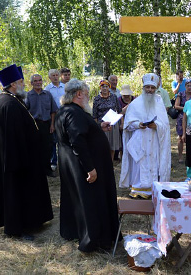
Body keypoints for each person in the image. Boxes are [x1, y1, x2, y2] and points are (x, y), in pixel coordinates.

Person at [55, 79, 120, 252]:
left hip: (72, 165)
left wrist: (99, 127)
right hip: (83, 167)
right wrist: (90, 168)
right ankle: (93, 238)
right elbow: (77, 141)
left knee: (76, 199)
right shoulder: (74, 113)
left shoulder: (66, 110)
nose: (88, 97)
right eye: (86, 93)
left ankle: (74, 231)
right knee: (90, 201)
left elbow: (82, 131)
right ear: (78, 94)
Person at [0, 64, 53, 240]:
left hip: (23, 156)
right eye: (21, 81)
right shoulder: (9, 104)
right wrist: (23, 160)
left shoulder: (12, 99)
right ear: (13, 84)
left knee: (26, 192)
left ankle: (31, 221)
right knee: (17, 193)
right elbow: (15, 137)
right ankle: (17, 228)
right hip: (18, 159)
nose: (23, 84)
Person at [120, 73, 171, 199]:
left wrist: (157, 126)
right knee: (139, 163)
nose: (150, 90)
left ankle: (152, 187)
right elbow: (127, 126)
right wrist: (138, 124)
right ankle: (138, 187)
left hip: (154, 141)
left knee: (153, 162)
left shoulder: (159, 103)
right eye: (147, 87)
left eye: (152, 88)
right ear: (143, 87)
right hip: (140, 141)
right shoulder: (135, 104)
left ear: (156, 88)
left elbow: (165, 125)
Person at [25, 74, 59, 177]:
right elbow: (25, 112)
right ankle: (35, 170)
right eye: (35, 81)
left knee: (47, 148)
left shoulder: (47, 94)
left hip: (46, 124)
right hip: (33, 125)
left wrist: (52, 124)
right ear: (31, 83)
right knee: (34, 148)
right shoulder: (27, 96)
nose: (38, 82)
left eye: (40, 80)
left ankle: (47, 170)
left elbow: (53, 111)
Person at [92, 79, 122, 162]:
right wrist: (96, 127)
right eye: (103, 86)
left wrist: (121, 123)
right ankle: (102, 163)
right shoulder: (97, 99)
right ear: (100, 88)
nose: (105, 88)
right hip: (102, 124)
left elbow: (119, 110)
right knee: (103, 146)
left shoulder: (113, 97)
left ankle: (110, 163)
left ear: (109, 87)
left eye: (106, 86)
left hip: (112, 124)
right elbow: (94, 114)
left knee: (112, 146)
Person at [45, 69, 65, 172]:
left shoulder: (64, 87)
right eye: (53, 75)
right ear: (49, 77)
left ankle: (64, 161)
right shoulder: (47, 89)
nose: (55, 77)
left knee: (64, 138)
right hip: (53, 116)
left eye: (57, 75)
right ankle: (54, 162)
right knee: (53, 140)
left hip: (64, 115)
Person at [173, 78, 191, 163]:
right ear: (185, 86)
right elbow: (176, 106)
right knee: (181, 138)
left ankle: (190, 156)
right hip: (181, 118)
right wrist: (186, 108)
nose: (189, 87)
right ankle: (180, 157)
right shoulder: (180, 94)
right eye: (188, 85)